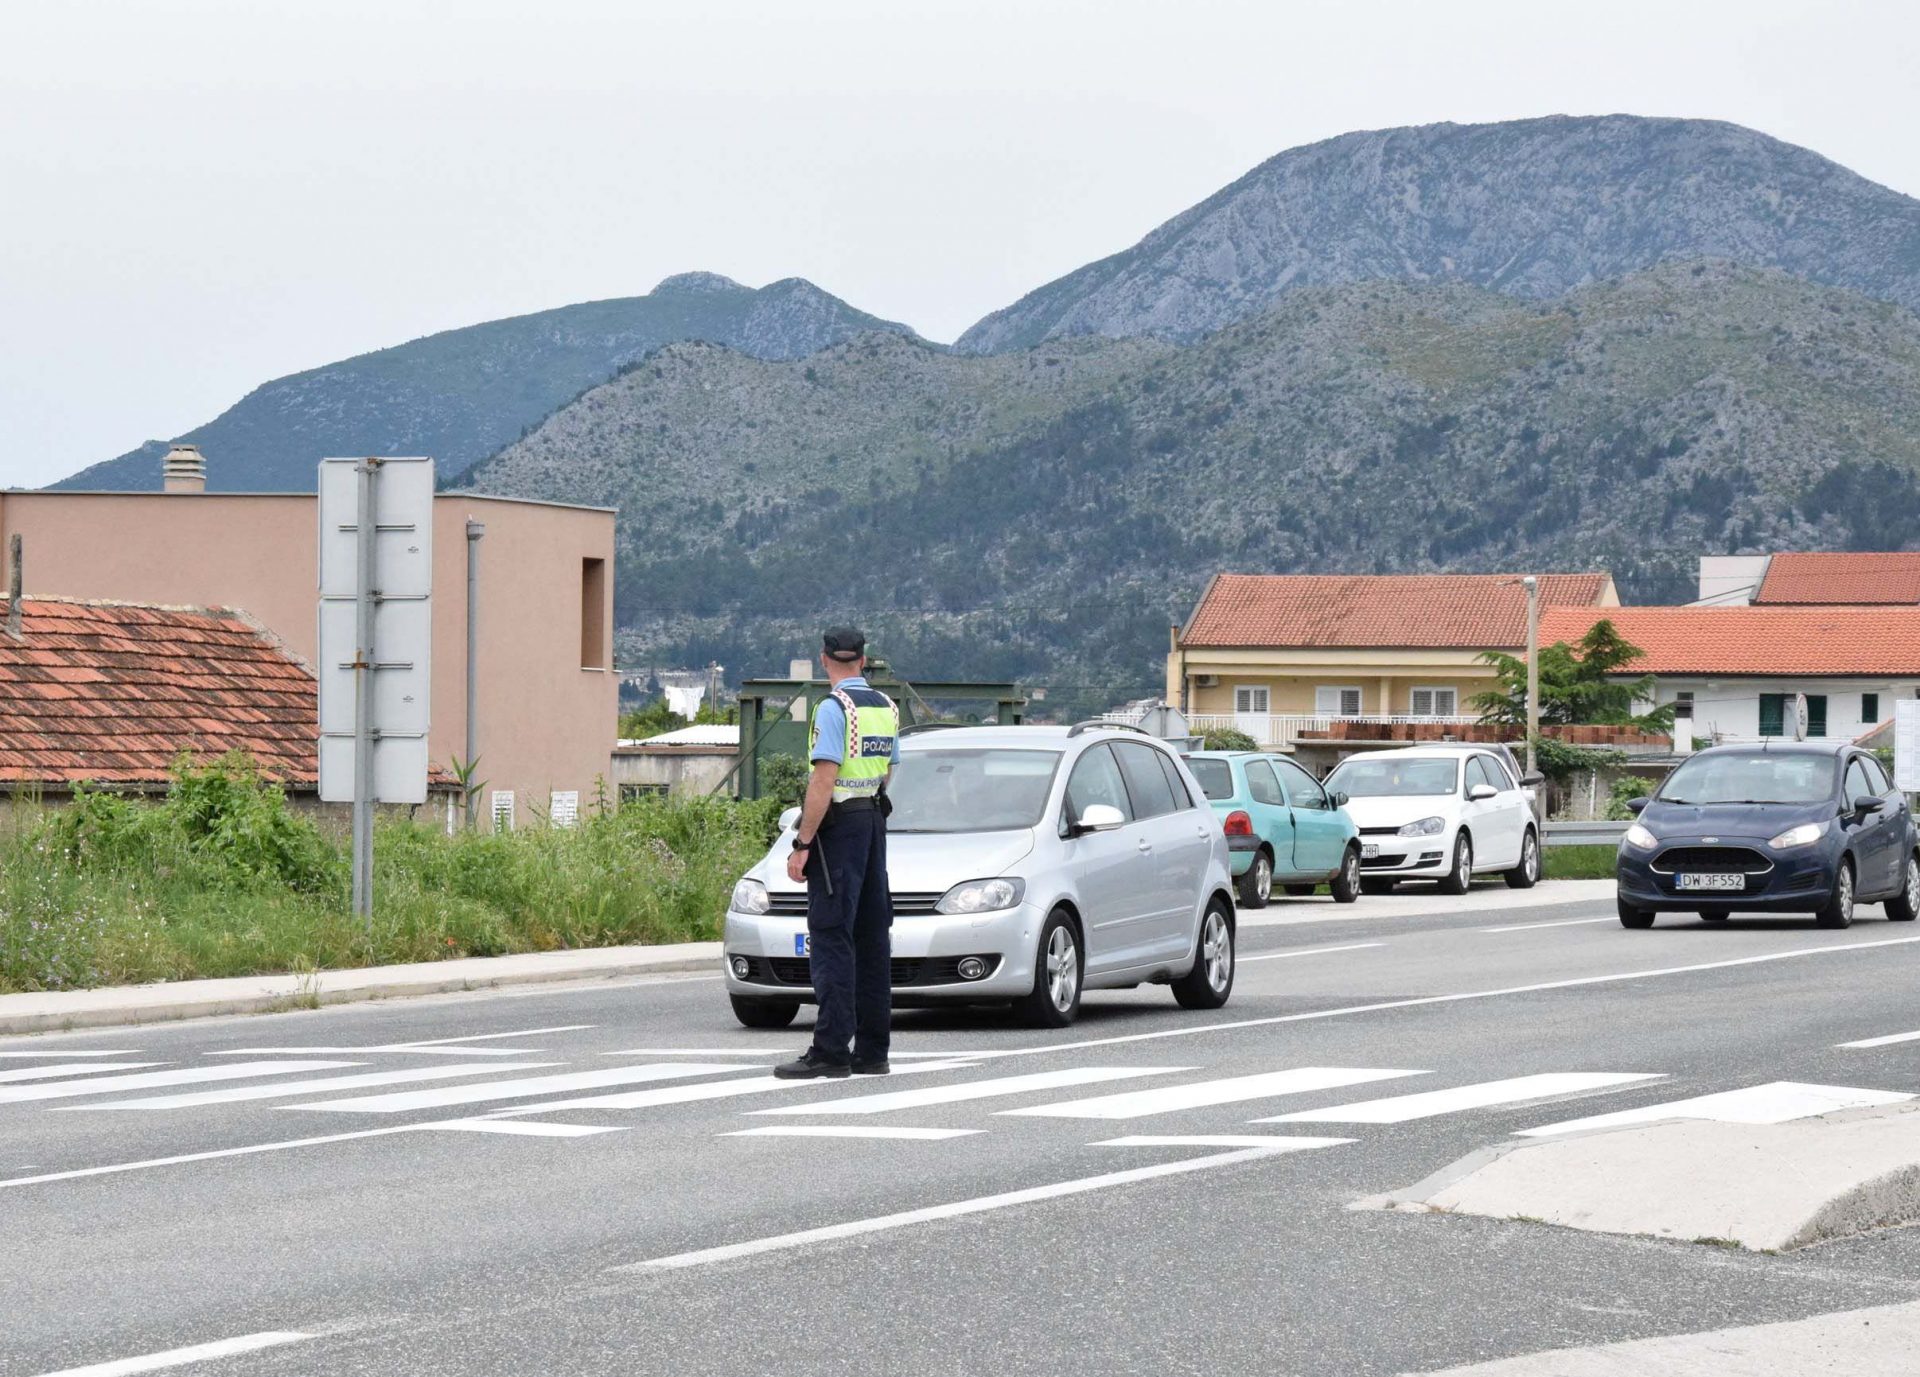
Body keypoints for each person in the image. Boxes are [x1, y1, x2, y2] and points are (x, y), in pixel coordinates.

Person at [774, 627, 901, 1079]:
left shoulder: (832, 709)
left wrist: (802, 843)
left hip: (840, 827)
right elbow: (887, 773)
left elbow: (823, 779)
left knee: (831, 936)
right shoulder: (887, 708)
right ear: (864, 660)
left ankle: (830, 1050)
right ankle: (873, 1051)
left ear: (825, 660)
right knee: (871, 938)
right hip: (873, 823)